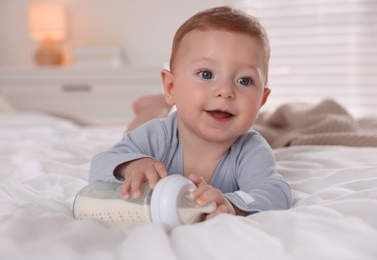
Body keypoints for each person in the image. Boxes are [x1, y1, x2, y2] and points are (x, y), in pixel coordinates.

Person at [90, 6, 292, 220]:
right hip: (155, 124)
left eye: (244, 80)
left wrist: (233, 205)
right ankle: (155, 106)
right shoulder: (156, 136)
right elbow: (100, 165)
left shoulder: (251, 150)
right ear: (171, 87)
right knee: (134, 129)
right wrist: (130, 165)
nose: (225, 91)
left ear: (261, 101)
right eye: (206, 74)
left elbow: (276, 194)